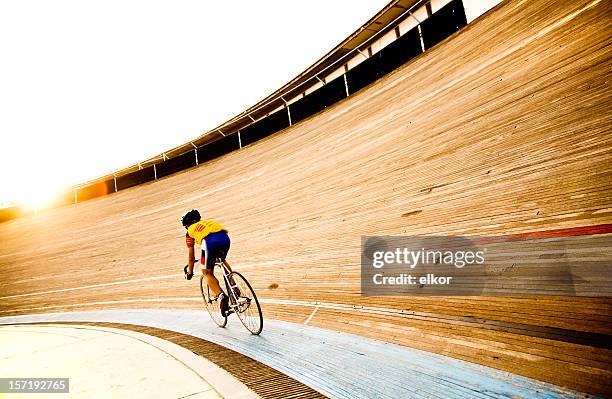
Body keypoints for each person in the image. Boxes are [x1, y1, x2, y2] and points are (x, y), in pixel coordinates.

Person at [181, 209, 232, 316]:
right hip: (225, 238)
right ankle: (234, 287)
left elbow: (191, 257)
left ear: (187, 225)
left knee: (207, 273)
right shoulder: (208, 222)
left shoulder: (189, 231)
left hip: (209, 243)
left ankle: (222, 296)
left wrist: (190, 272)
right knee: (221, 260)